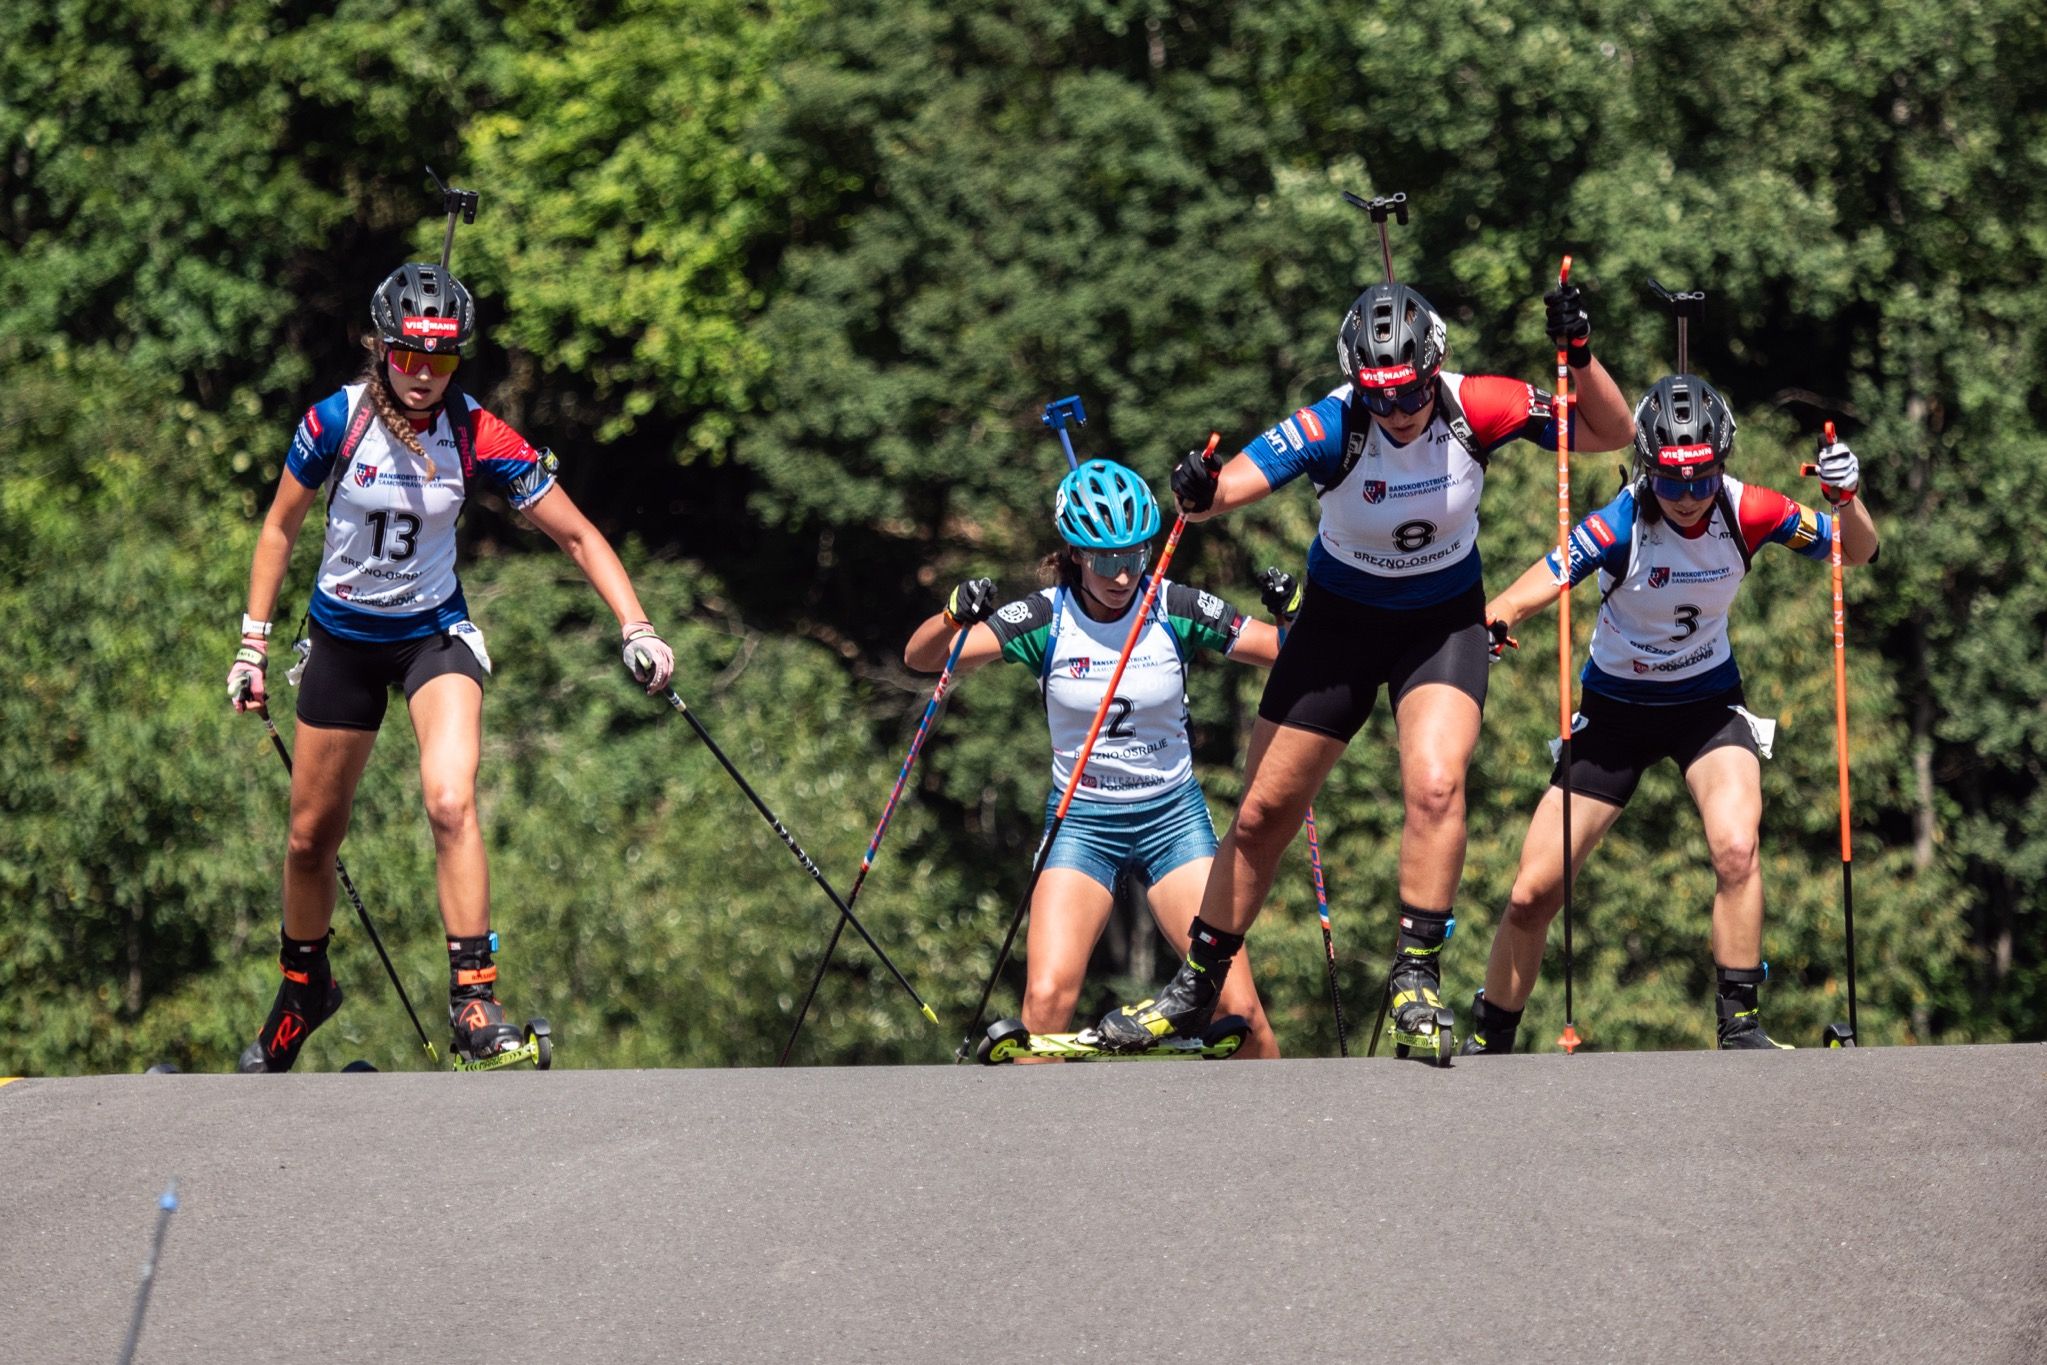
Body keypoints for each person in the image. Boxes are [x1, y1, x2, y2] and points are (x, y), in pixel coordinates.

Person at [1090, 277, 1636, 1055]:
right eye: (1378, 397)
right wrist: (1201, 487)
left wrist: (1578, 354)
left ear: (1432, 368)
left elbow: (1608, 432)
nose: (1398, 412)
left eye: (1408, 393)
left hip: (1439, 624)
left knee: (1437, 782)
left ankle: (1415, 975)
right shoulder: (1335, 420)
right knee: (1258, 815)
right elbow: (1228, 487)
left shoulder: (1474, 402)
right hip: (1339, 625)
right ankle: (1196, 985)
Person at [227, 261, 676, 1071]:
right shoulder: (335, 422)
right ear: (381, 346)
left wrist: (636, 625)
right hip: (342, 639)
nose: (424, 375)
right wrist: (252, 644)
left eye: (442, 360)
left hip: (433, 634)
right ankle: (303, 988)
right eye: (409, 356)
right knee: (308, 842)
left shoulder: (475, 433)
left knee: (449, 798)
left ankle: (474, 1000)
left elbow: (575, 534)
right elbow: (278, 531)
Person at [1462, 375, 1879, 1052]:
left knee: (1736, 847)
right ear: (1648, 469)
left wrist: (1847, 497)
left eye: (1700, 479)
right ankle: (1493, 1035)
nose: (1687, 498)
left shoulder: (1750, 509)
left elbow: (1852, 551)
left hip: (1705, 706)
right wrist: (1494, 619)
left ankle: (1739, 1022)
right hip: (1615, 714)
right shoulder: (1620, 520)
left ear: (1721, 462)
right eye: (1671, 482)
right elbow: (1538, 580)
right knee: (1532, 891)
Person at [905, 459, 1288, 1057]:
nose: (1121, 574)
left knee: (1239, 1009)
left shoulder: (1173, 606)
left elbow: (1283, 653)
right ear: (1076, 555)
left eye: (1134, 556)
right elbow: (925, 658)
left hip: (1172, 822)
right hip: (1083, 825)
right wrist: (953, 613)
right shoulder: (1043, 618)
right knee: (1047, 1005)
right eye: (1105, 559)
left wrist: (1293, 617)